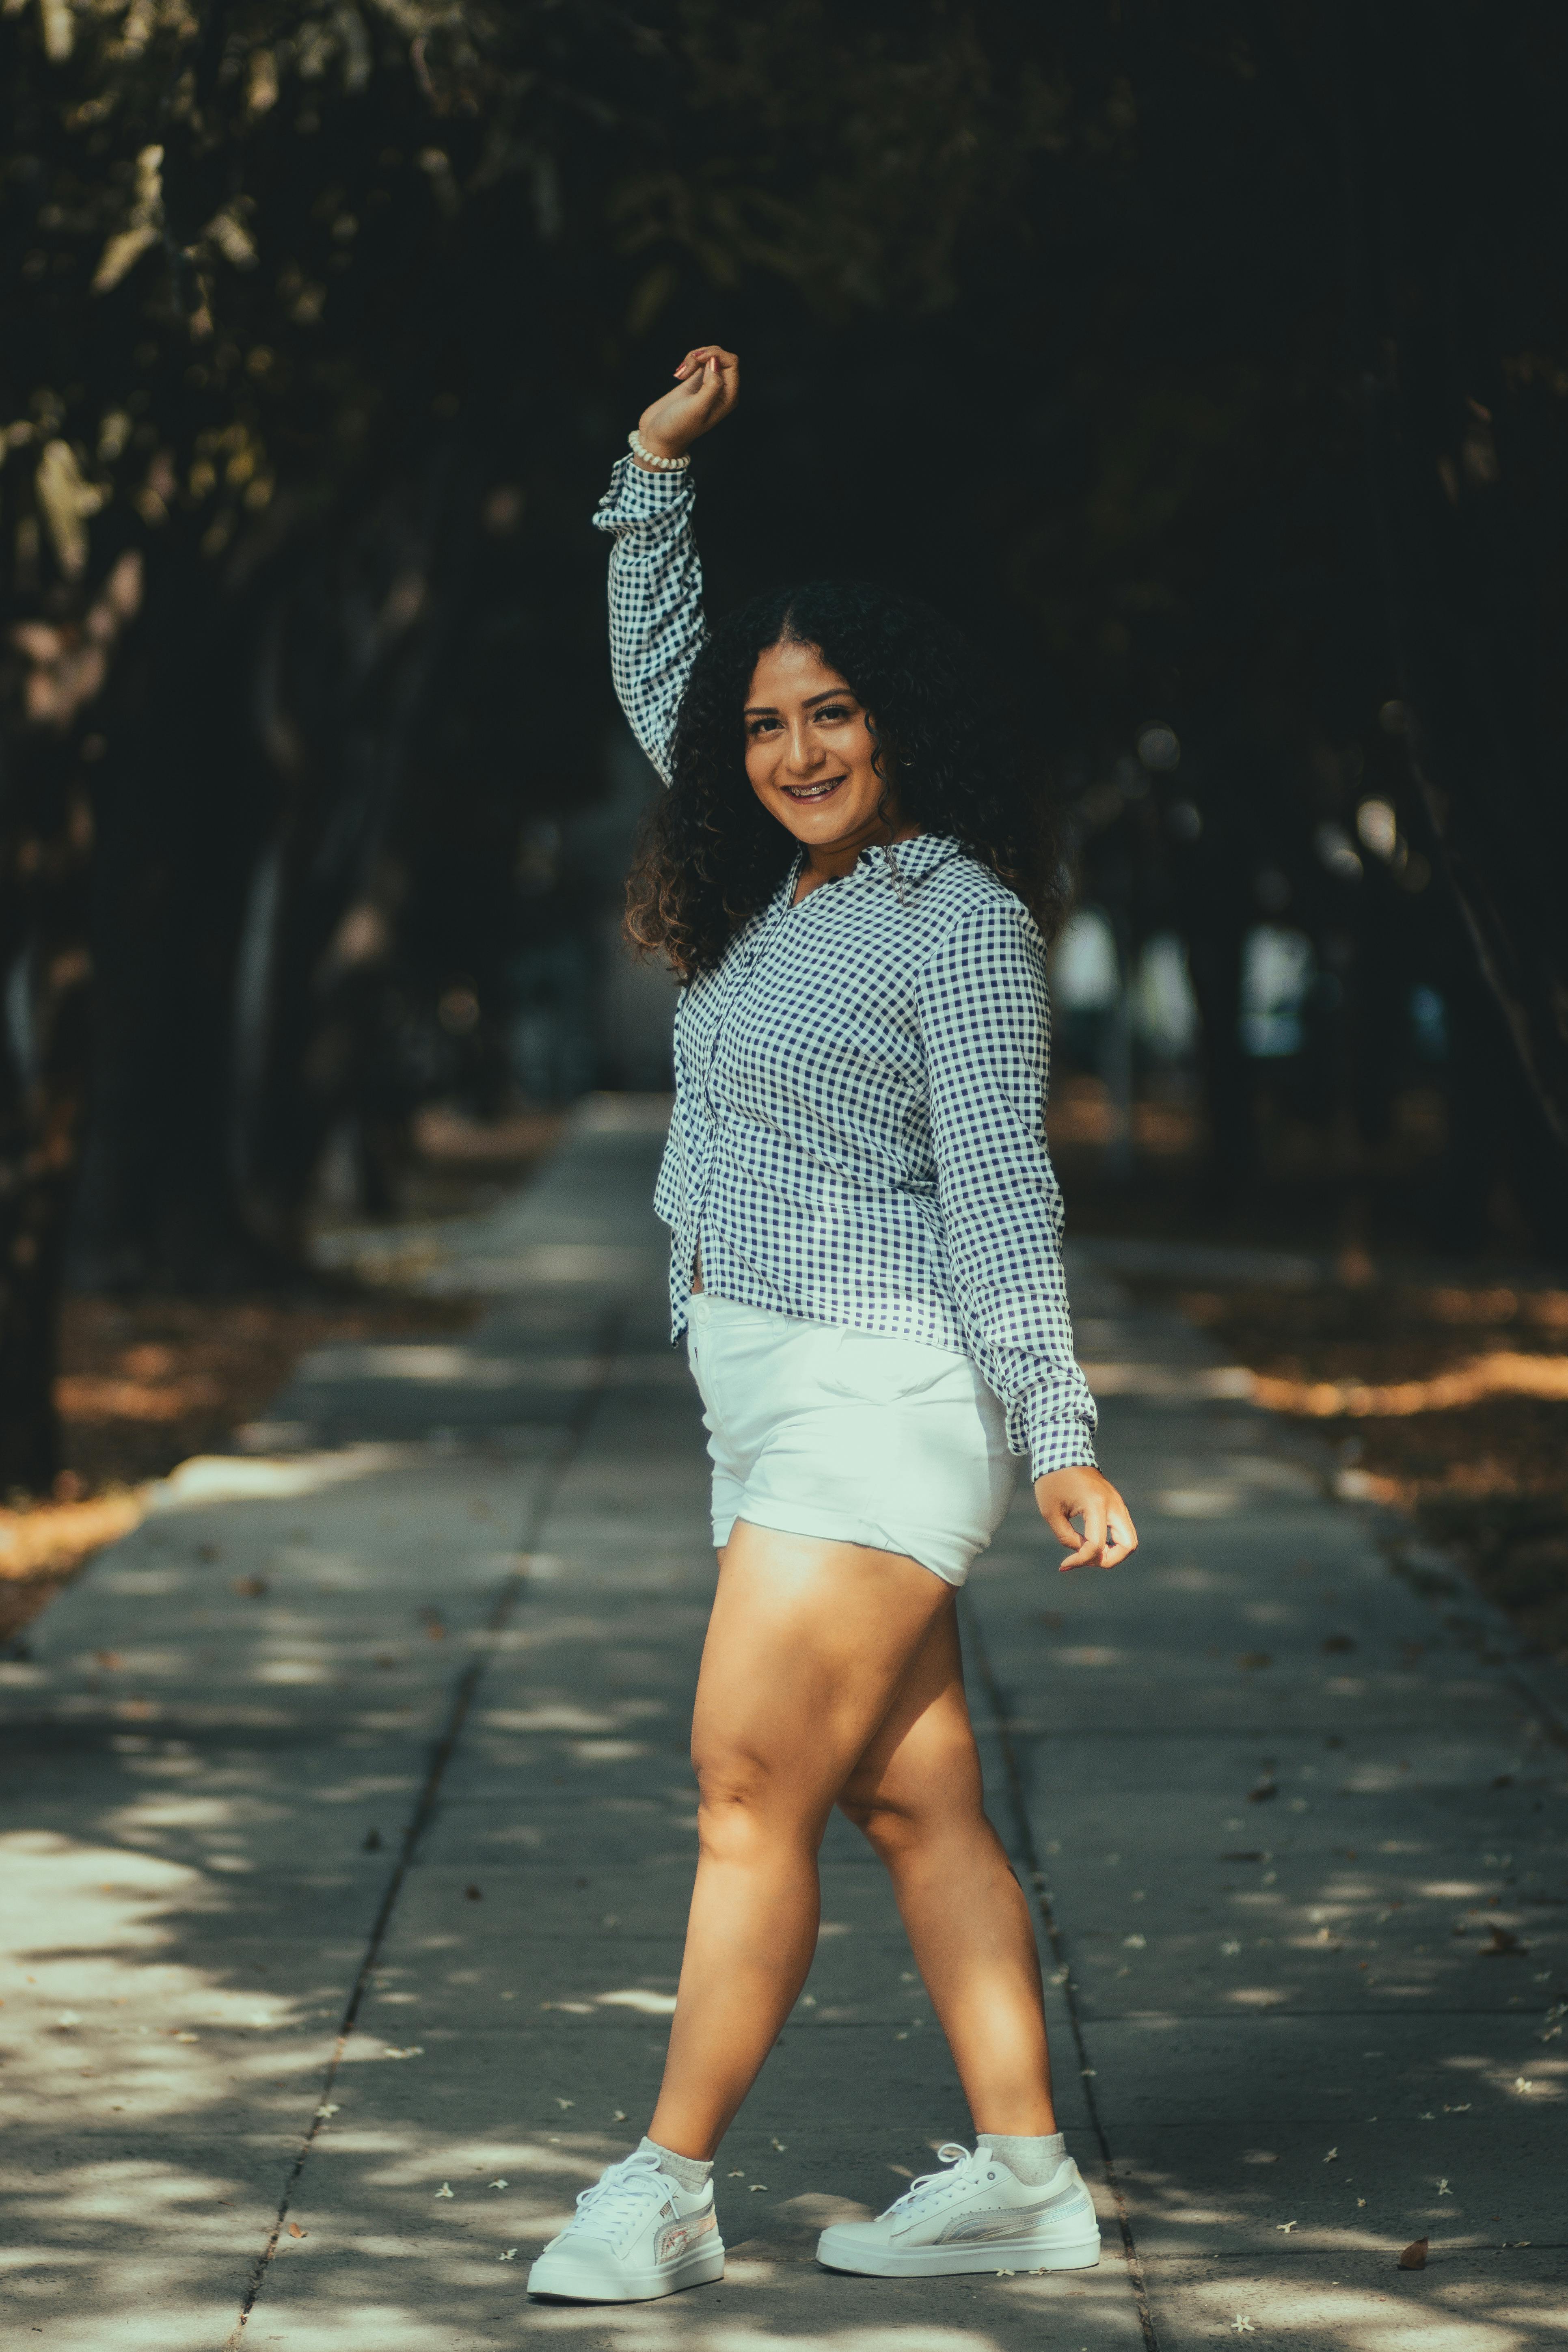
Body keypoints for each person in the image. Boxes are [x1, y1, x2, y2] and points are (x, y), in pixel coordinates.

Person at [526, 346, 1137, 2306]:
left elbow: (1000, 1185)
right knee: (909, 1789)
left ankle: (667, 2181)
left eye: (834, 716)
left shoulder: (953, 915)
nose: (793, 750)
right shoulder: (779, 893)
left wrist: (1056, 1426)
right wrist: (649, 476)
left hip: (877, 1393)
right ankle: (1030, 2174)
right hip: (776, 1392)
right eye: (773, 724)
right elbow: (664, 693)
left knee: (741, 1784)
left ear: (904, 723)